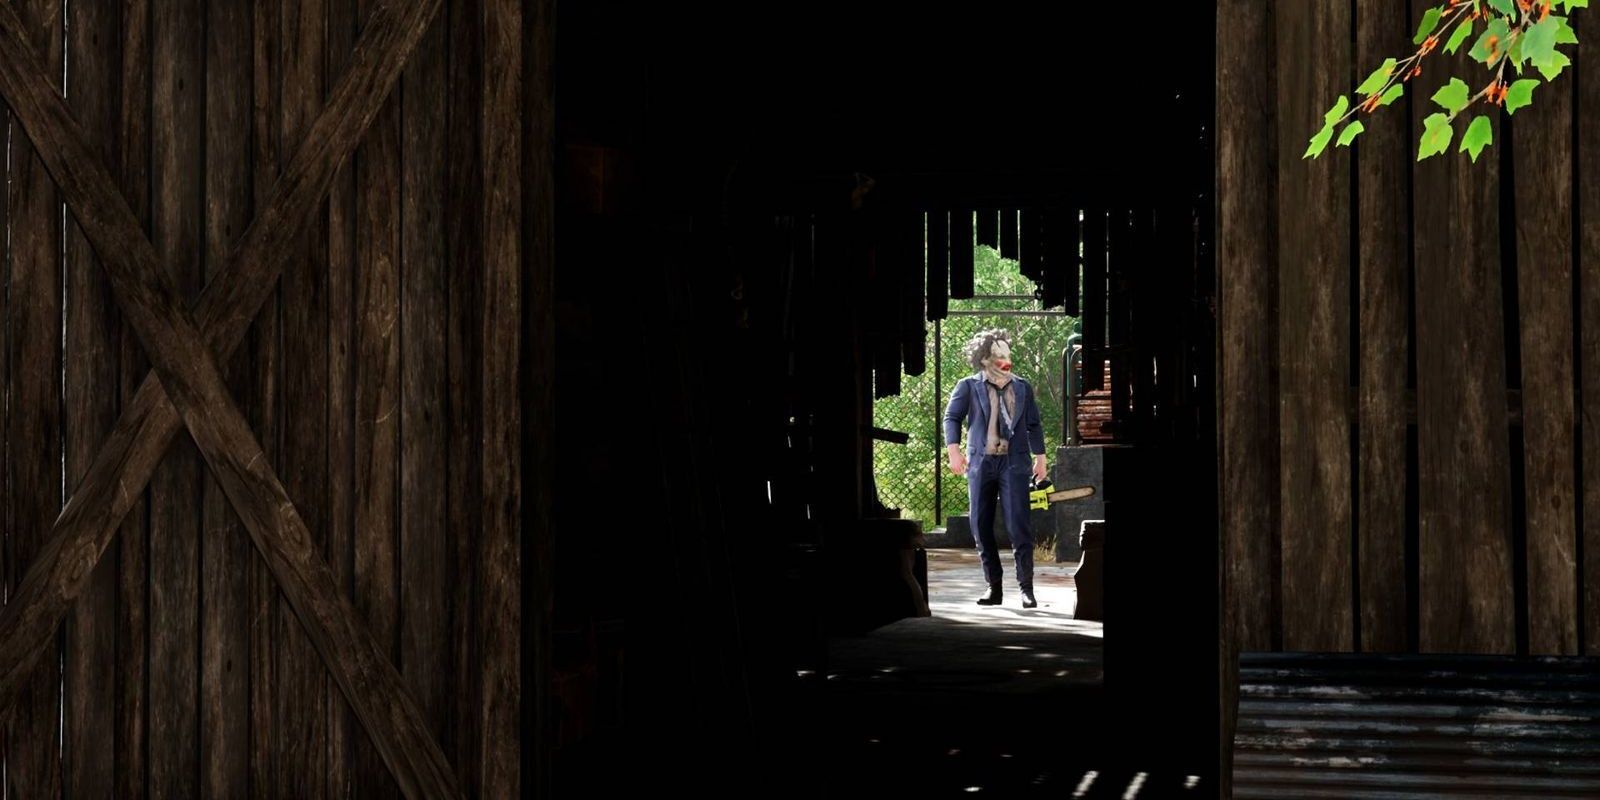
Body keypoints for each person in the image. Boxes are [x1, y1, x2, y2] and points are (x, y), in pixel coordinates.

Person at [943, 328, 1048, 608]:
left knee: (1019, 525)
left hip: (1014, 463)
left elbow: (1034, 424)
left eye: (1008, 354)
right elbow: (952, 417)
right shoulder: (968, 386)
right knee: (980, 524)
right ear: (985, 359)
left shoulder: (1022, 387)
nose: (1006, 360)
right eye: (999, 355)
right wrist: (953, 450)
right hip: (981, 463)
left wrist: (1041, 457)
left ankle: (1027, 588)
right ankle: (994, 587)